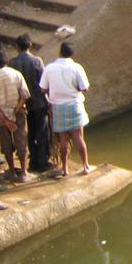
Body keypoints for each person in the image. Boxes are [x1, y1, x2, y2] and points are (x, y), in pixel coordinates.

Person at [39, 42, 91, 177]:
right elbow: (85, 88)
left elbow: (42, 88)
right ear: (72, 54)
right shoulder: (77, 67)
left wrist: (53, 92)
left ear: (60, 52)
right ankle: (85, 166)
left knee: (63, 139)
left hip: (58, 106)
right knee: (78, 137)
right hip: (74, 104)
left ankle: (65, 168)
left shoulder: (50, 68)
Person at [8, 35, 50, 174]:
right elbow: (43, 83)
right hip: (39, 102)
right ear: (30, 45)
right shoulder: (37, 61)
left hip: (22, 103)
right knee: (42, 132)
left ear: (16, 47)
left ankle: (33, 162)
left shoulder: (12, 63)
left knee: (29, 133)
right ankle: (42, 162)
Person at [0, 51, 30, 182]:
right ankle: (24, 172)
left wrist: (4, 119)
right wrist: (15, 111)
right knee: (21, 140)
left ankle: (12, 171)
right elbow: (25, 95)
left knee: (6, 143)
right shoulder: (16, 74)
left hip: (1, 115)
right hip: (18, 113)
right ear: (7, 62)